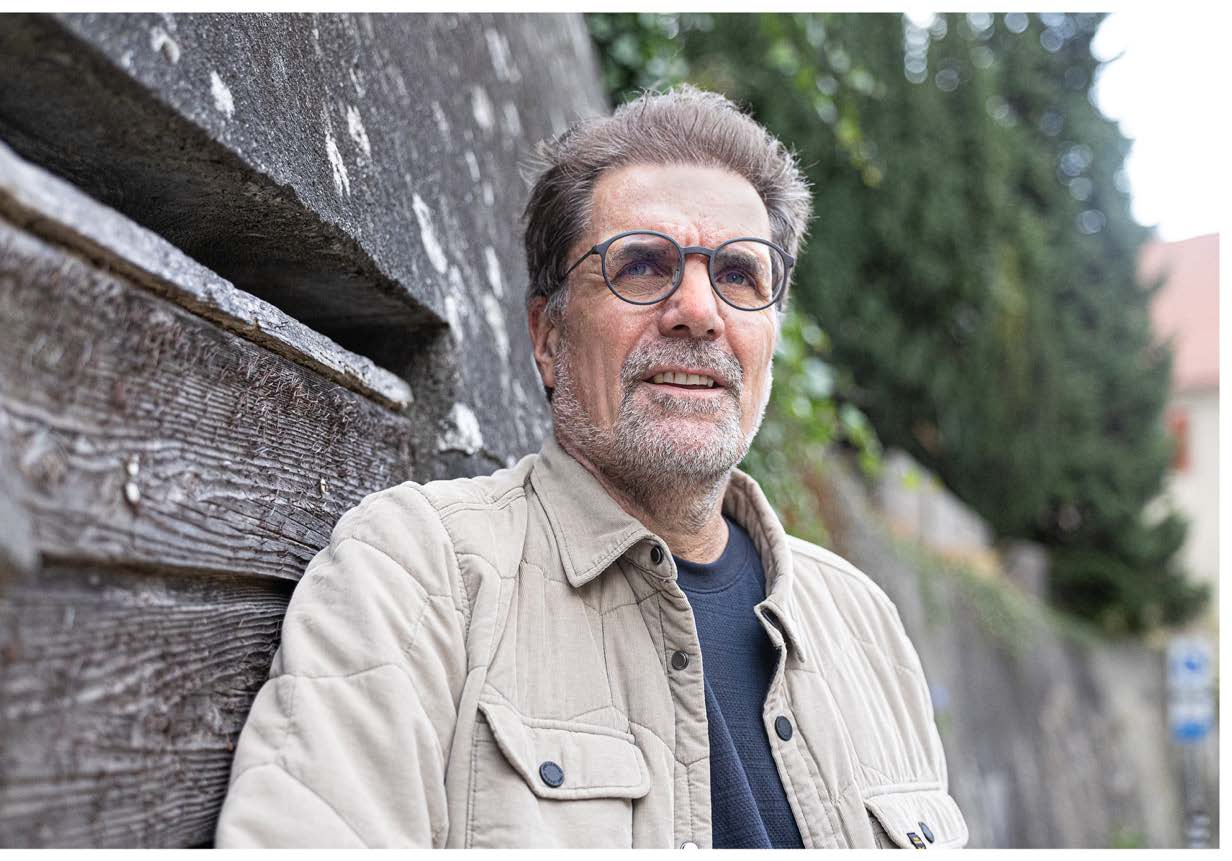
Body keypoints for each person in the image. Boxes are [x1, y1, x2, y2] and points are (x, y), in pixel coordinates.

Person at [215, 85, 968, 849]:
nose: (699, 310)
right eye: (641, 265)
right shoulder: (417, 576)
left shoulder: (865, 623)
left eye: (740, 275)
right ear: (549, 338)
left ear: (770, 339)